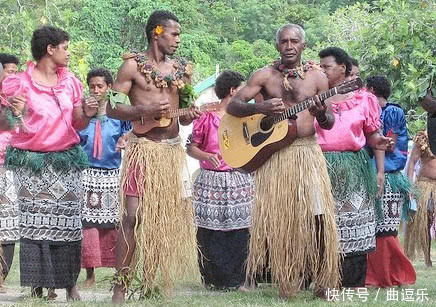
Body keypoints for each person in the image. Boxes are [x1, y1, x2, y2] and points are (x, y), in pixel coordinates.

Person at [226, 24, 340, 299]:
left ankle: (324, 280)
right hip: (275, 156)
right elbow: (233, 106)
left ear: (303, 46)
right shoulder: (264, 75)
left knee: (319, 217)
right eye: (284, 41)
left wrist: (321, 113)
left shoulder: (317, 77)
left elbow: (330, 121)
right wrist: (260, 107)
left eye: (294, 41)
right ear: (277, 45)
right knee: (281, 221)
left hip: (307, 153)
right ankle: (287, 280)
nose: (289, 46)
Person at [106, 10, 201, 303]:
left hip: (170, 151)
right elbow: (112, 109)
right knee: (132, 216)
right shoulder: (131, 67)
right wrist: (144, 111)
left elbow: (184, 118)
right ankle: (120, 286)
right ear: (156, 32)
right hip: (141, 150)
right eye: (174, 34)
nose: (178, 40)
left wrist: (190, 114)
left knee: (158, 219)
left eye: (179, 35)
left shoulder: (182, 70)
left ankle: (151, 282)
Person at [0, 25, 98, 301]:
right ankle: (38, 286)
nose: (68, 53)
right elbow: (3, 124)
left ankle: (70, 284)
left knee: (67, 224)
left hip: (65, 161)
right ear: (50, 49)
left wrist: (88, 113)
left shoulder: (71, 82)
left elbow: (77, 122)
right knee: (36, 224)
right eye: (65, 47)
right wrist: (13, 113)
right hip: (31, 164)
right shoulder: (18, 83)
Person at [316, 47, 393, 288]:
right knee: (321, 223)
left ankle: (351, 282)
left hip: (353, 165)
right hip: (318, 164)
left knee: (355, 222)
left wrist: (380, 145)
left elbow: (373, 135)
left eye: (326, 66)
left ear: (343, 68)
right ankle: (322, 279)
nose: (322, 70)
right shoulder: (314, 97)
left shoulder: (364, 99)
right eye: (320, 66)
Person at [186, 70, 254, 291]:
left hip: (239, 178)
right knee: (210, 231)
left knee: (240, 230)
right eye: (242, 89)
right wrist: (206, 156)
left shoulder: (245, 118)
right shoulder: (207, 117)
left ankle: (238, 280)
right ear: (233, 91)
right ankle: (214, 278)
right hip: (211, 180)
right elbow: (192, 147)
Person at [78, 68, 131, 287]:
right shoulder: (82, 113)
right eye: (92, 86)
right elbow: (74, 135)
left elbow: (132, 130)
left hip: (112, 173)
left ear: (109, 87)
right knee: (88, 224)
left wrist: (125, 139)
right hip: (87, 173)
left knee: (113, 224)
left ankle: (115, 271)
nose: (96, 90)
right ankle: (89, 274)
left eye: (100, 86)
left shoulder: (118, 112)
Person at [365, 75, 416, 287]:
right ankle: (375, 275)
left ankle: (388, 274)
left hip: (389, 177)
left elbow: (390, 145)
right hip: (375, 174)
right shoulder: (371, 110)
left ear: (372, 89)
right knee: (374, 228)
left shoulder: (393, 112)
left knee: (386, 230)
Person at [0, 54, 20, 294]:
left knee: (9, 227)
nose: (9, 76)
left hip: (10, 170)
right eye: (7, 71)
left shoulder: (15, 104)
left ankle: (2, 277)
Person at [405, 130, 436, 267]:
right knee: (425, 222)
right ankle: (427, 258)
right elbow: (412, 162)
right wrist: (410, 185)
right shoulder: (423, 139)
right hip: (425, 184)